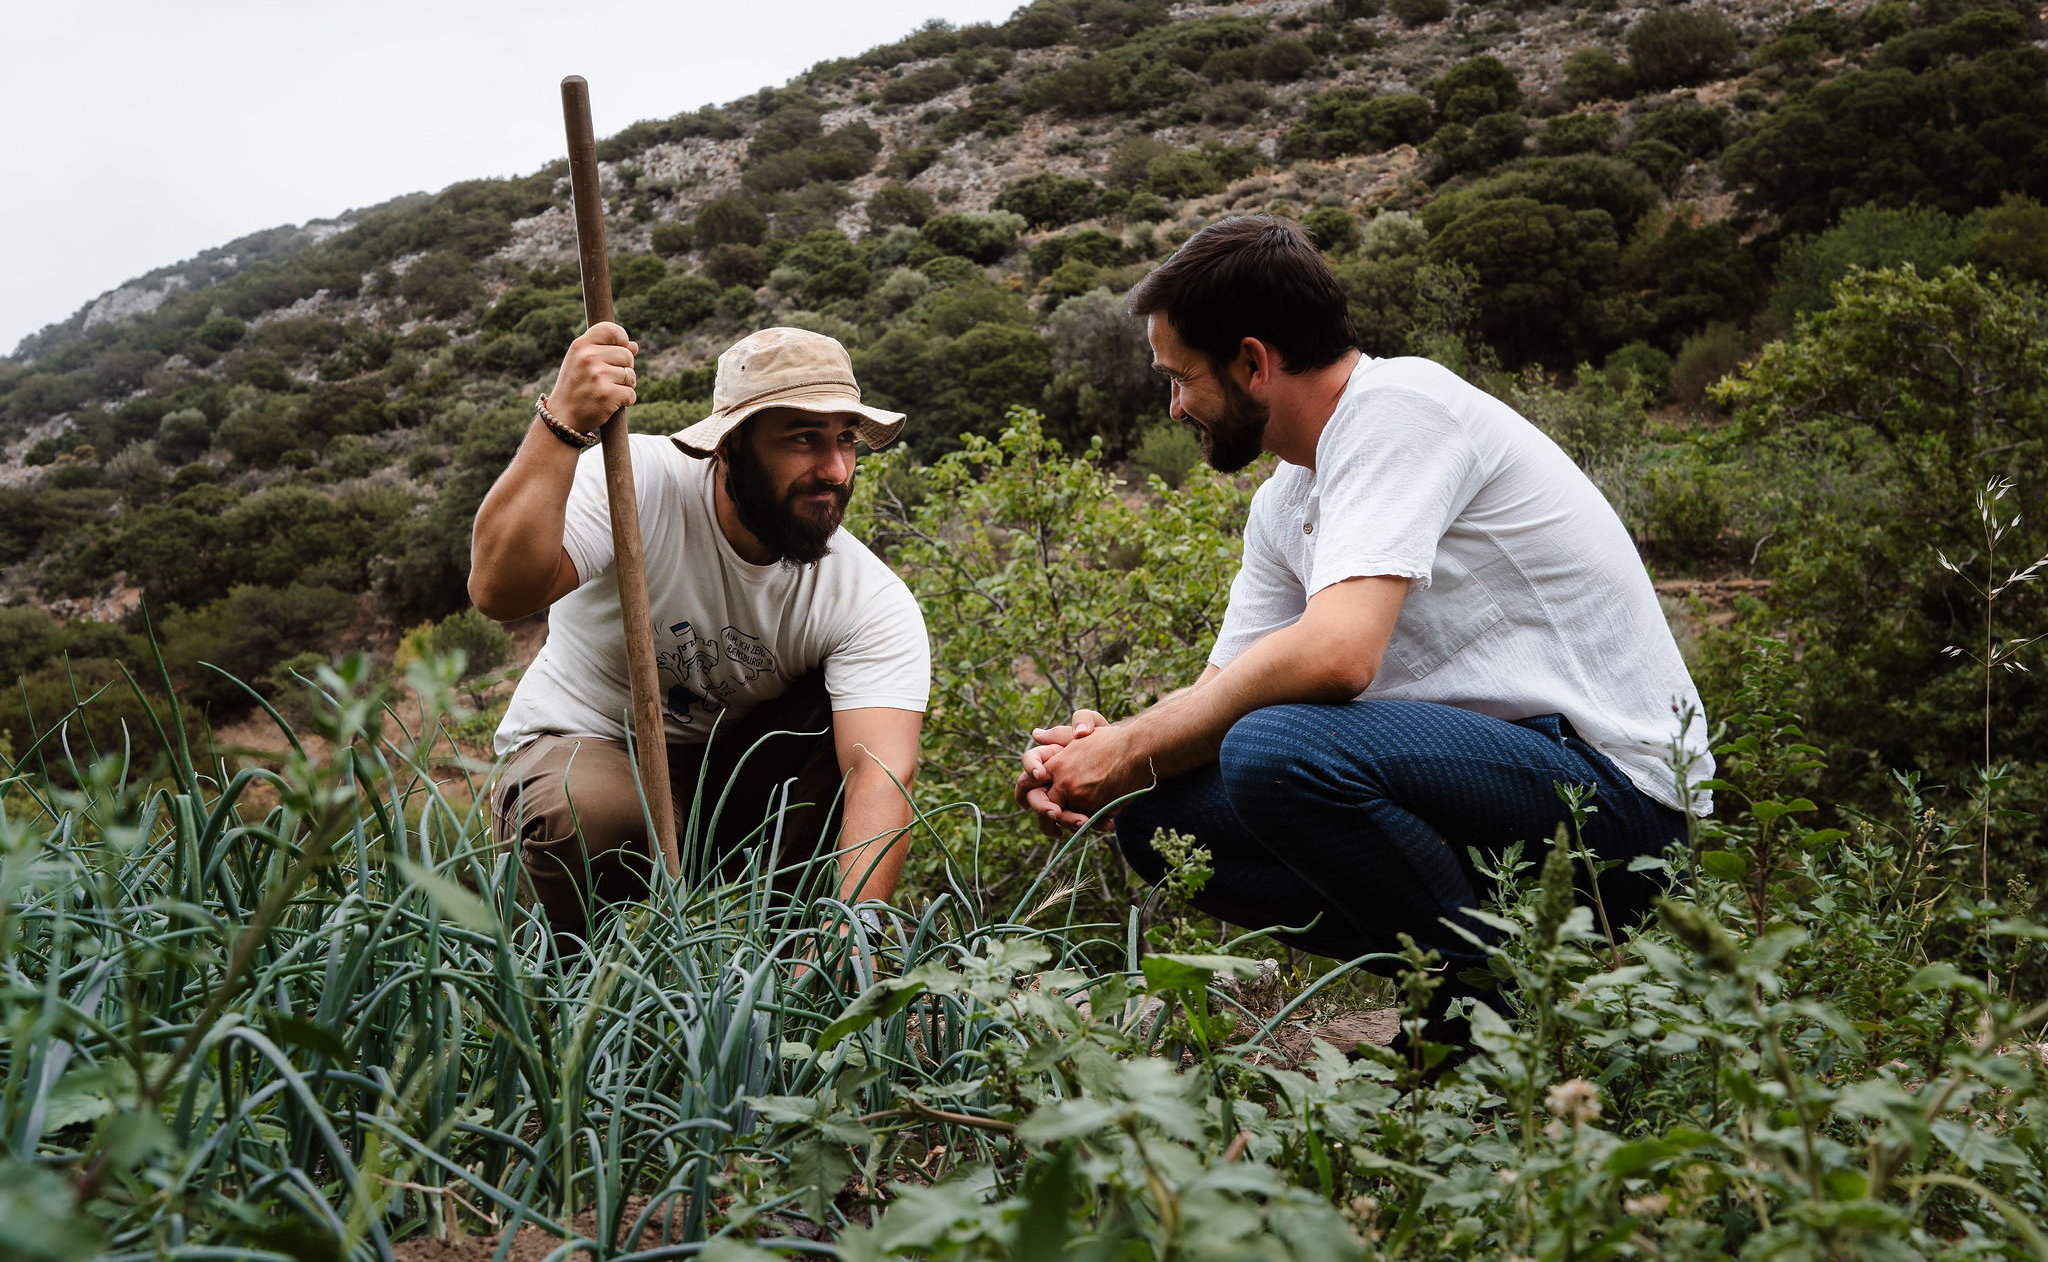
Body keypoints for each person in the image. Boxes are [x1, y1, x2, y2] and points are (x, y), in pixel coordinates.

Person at [1015, 215, 1712, 1040]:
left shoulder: (1399, 409)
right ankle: (1488, 970)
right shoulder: (1286, 500)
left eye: (1181, 376)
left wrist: (1127, 747)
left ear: (1252, 361)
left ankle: (1482, 1018)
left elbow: (1338, 656)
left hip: (1618, 807)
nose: (1174, 405)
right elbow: (1217, 694)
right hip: (1494, 804)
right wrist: (1110, 755)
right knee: (1155, 816)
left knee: (1276, 748)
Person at [472, 323, 929, 935]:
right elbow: (500, 592)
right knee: (601, 815)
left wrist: (855, 932)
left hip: (725, 780)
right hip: (585, 744)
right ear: (730, 445)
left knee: (847, 721)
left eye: (846, 440)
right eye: (803, 439)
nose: (836, 470)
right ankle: (539, 984)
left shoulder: (866, 598)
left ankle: (795, 975)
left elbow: (881, 775)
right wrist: (562, 425)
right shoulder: (634, 481)